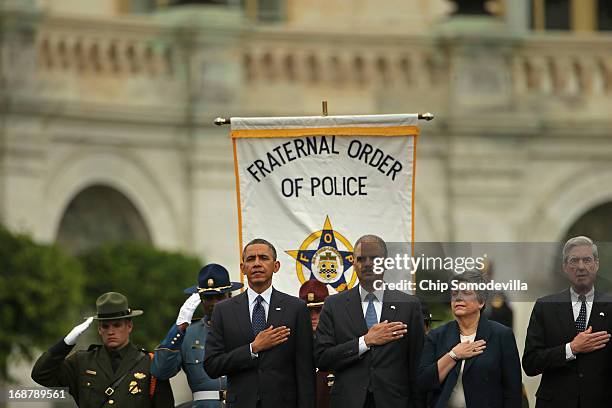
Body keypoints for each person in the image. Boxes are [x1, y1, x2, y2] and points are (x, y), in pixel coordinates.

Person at [314, 234, 424, 408]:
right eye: (361, 259)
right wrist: (364, 342)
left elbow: (417, 364)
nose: (367, 264)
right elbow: (322, 358)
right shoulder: (334, 305)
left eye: (374, 258)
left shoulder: (409, 306)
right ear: (353, 262)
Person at [204, 238, 315, 408]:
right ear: (243, 268)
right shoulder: (223, 311)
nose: (257, 263)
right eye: (250, 259)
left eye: (263, 258)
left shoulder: (296, 308)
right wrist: (252, 349)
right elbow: (212, 366)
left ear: (276, 266)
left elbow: (305, 371)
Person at [31, 292, 174, 408]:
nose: (111, 331)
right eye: (105, 326)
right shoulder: (82, 362)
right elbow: (41, 374)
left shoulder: (149, 363)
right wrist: (67, 342)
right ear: (99, 329)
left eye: (117, 325)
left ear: (129, 326)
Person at [522, 236, 612, 408]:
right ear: (564, 267)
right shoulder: (545, 307)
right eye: (574, 261)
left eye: (587, 260)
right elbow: (530, 363)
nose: (580, 267)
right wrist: (571, 349)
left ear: (596, 264)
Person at [417, 270, 522, 408]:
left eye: (466, 293)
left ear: (481, 302)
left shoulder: (501, 335)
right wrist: (453, 355)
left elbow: (513, 391)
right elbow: (423, 382)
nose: (458, 298)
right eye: (454, 294)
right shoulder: (436, 336)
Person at [152, 263, 243, 407]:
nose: (214, 303)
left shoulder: (246, 328)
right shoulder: (188, 333)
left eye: (219, 297)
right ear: (200, 300)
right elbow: (160, 371)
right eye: (208, 298)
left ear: (230, 296)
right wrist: (179, 327)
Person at [299, 279, 332, 408]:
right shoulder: (293, 343)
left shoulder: (338, 340)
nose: (313, 316)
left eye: (318, 310)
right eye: (308, 311)